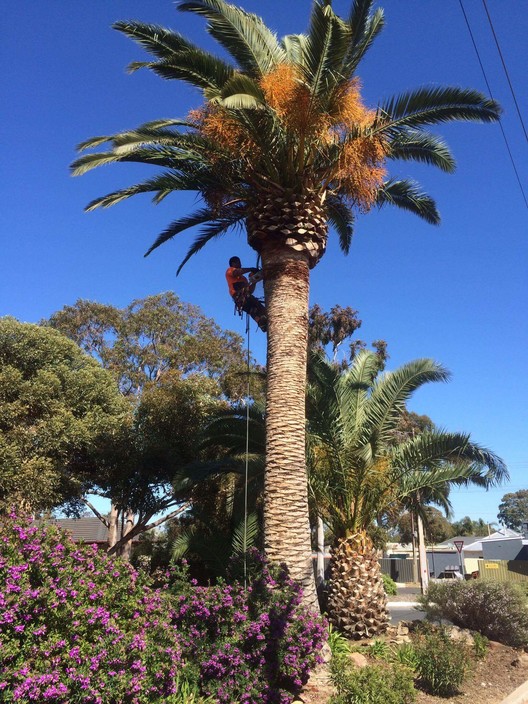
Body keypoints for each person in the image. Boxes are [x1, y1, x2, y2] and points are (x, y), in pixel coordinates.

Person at [225, 256, 267, 332]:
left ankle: (262, 323)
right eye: (239, 262)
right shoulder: (230, 270)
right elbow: (236, 272)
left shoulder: (243, 279)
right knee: (258, 306)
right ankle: (264, 319)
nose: (241, 264)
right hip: (239, 297)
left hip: (245, 297)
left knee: (252, 310)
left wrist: (254, 281)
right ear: (233, 263)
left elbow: (250, 291)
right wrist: (251, 269)